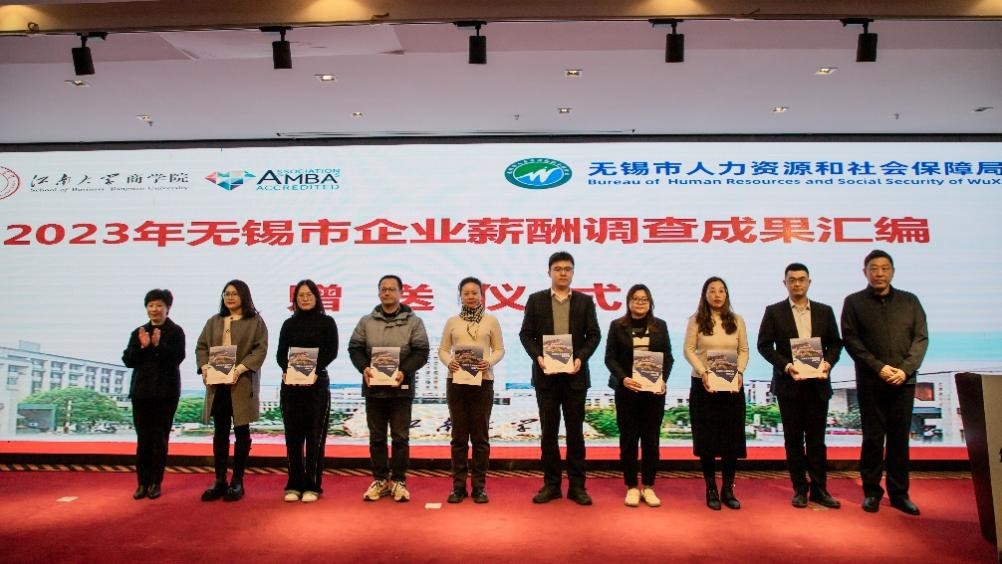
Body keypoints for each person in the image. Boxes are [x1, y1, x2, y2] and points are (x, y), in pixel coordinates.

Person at [841, 249, 928, 515]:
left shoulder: (910, 301)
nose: (879, 273)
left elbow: (921, 339)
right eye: (874, 268)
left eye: (885, 268)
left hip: (903, 382)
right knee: (873, 439)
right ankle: (871, 492)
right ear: (865, 272)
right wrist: (879, 368)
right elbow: (851, 341)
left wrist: (905, 370)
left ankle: (900, 493)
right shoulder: (854, 302)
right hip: (871, 382)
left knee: (899, 440)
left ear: (892, 271)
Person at [757, 263, 843, 509]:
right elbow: (764, 345)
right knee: (793, 440)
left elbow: (836, 344)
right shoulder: (774, 311)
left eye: (801, 279)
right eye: (792, 280)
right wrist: (786, 366)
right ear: (784, 283)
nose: (797, 283)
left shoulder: (824, 311)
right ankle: (800, 489)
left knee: (817, 441)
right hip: (789, 385)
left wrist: (828, 363)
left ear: (809, 282)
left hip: (818, 385)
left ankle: (819, 489)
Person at [519, 251, 601, 505]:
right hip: (547, 377)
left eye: (567, 269)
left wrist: (580, 358)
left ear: (573, 272)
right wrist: (538, 357)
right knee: (549, 433)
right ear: (549, 272)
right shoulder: (536, 300)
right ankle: (551, 484)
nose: (563, 273)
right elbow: (525, 335)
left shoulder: (585, 301)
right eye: (558, 269)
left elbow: (594, 335)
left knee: (576, 434)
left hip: (575, 377)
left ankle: (577, 487)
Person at [348, 274, 430, 503]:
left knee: (400, 437)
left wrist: (404, 370)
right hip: (374, 387)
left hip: (401, 387)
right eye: (383, 289)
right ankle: (380, 480)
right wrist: (364, 367)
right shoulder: (366, 321)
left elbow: (421, 351)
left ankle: (399, 481)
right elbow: (355, 348)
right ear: (378, 293)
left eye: (391, 289)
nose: (387, 293)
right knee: (376, 438)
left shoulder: (414, 322)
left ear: (401, 293)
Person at [195, 279, 268, 502]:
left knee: (242, 432)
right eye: (226, 293)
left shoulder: (255, 321)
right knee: (220, 432)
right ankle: (219, 480)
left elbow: (260, 350)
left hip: (241, 383)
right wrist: (204, 367)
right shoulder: (213, 321)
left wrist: (240, 369)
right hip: (218, 385)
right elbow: (201, 347)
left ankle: (237, 481)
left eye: (234, 293)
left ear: (244, 296)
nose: (230, 297)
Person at [604, 284, 673, 508]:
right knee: (629, 440)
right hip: (627, 392)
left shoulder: (660, 326)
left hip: (653, 393)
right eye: (636, 298)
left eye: (644, 299)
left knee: (651, 440)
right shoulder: (617, 326)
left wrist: (662, 380)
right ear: (628, 301)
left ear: (650, 302)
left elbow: (668, 357)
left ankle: (649, 486)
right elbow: (610, 358)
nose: (640, 303)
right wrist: (623, 378)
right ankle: (632, 486)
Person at [683, 276, 749, 511]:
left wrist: (739, 372)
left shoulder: (737, 320)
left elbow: (743, 350)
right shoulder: (696, 320)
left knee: (731, 439)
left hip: (731, 385)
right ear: (705, 295)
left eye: (721, 291)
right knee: (707, 439)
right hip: (704, 385)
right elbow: (688, 350)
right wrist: (703, 373)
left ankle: (728, 489)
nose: (717, 295)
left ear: (726, 294)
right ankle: (711, 488)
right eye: (712, 291)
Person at [438, 277, 505, 504]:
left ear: (481, 295)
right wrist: (449, 362)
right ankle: (458, 487)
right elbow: (443, 350)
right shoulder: (452, 322)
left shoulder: (491, 321)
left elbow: (499, 349)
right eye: (466, 293)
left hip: (483, 382)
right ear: (460, 296)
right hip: (456, 382)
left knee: (480, 437)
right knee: (458, 437)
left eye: (474, 293)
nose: (470, 297)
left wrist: (489, 362)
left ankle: (479, 488)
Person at [275, 280, 339, 503]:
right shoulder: (288, 324)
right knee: (293, 437)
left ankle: (312, 485)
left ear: (316, 297)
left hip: (317, 384)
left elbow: (332, 351)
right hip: (291, 386)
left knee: (314, 437)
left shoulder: (327, 322)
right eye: (300, 295)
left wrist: (313, 370)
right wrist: (287, 370)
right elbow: (281, 354)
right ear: (295, 299)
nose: (305, 298)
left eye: (309, 294)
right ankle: (294, 484)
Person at [122, 289, 185, 500]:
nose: (155, 309)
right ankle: (142, 483)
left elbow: (177, 358)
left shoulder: (176, 331)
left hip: (166, 395)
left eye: (159, 305)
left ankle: (156, 483)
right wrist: (143, 347)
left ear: (167, 308)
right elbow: (128, 360)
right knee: (143, 440)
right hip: (142, 393)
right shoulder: (139, 332)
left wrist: (158, 347)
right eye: (151, 305)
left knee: (159, 439)